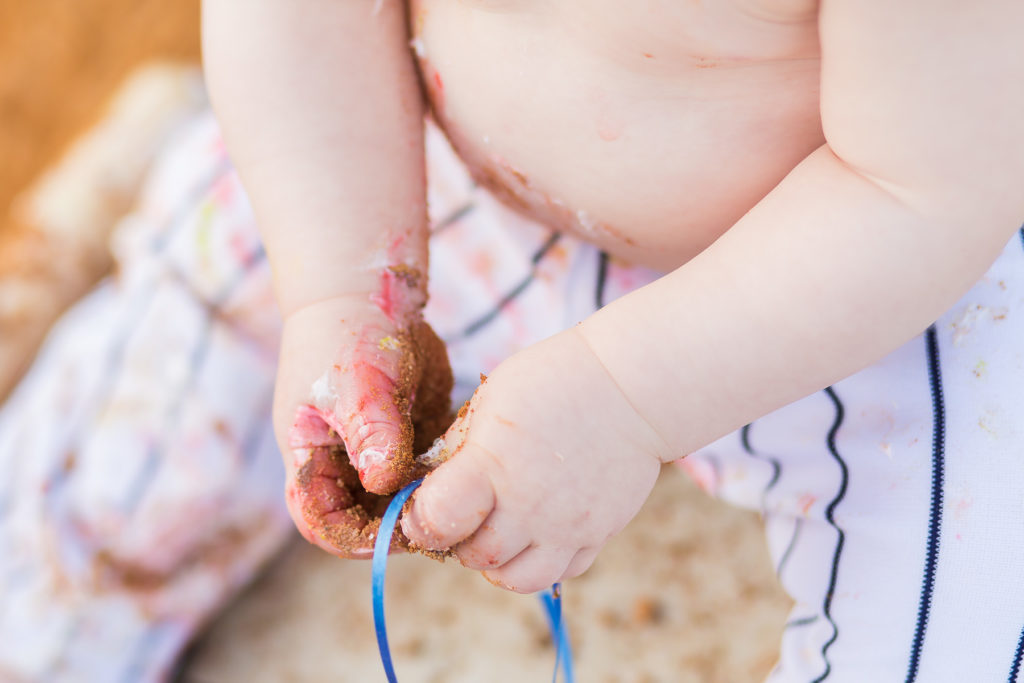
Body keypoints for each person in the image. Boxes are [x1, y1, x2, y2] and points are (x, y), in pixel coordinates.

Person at [203, 0, 1024, 680]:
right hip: (412, 173)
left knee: (977, 607)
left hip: (844, 279)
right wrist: (340, 285)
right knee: (176, 356)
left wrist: (627, 395)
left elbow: (921, 188)